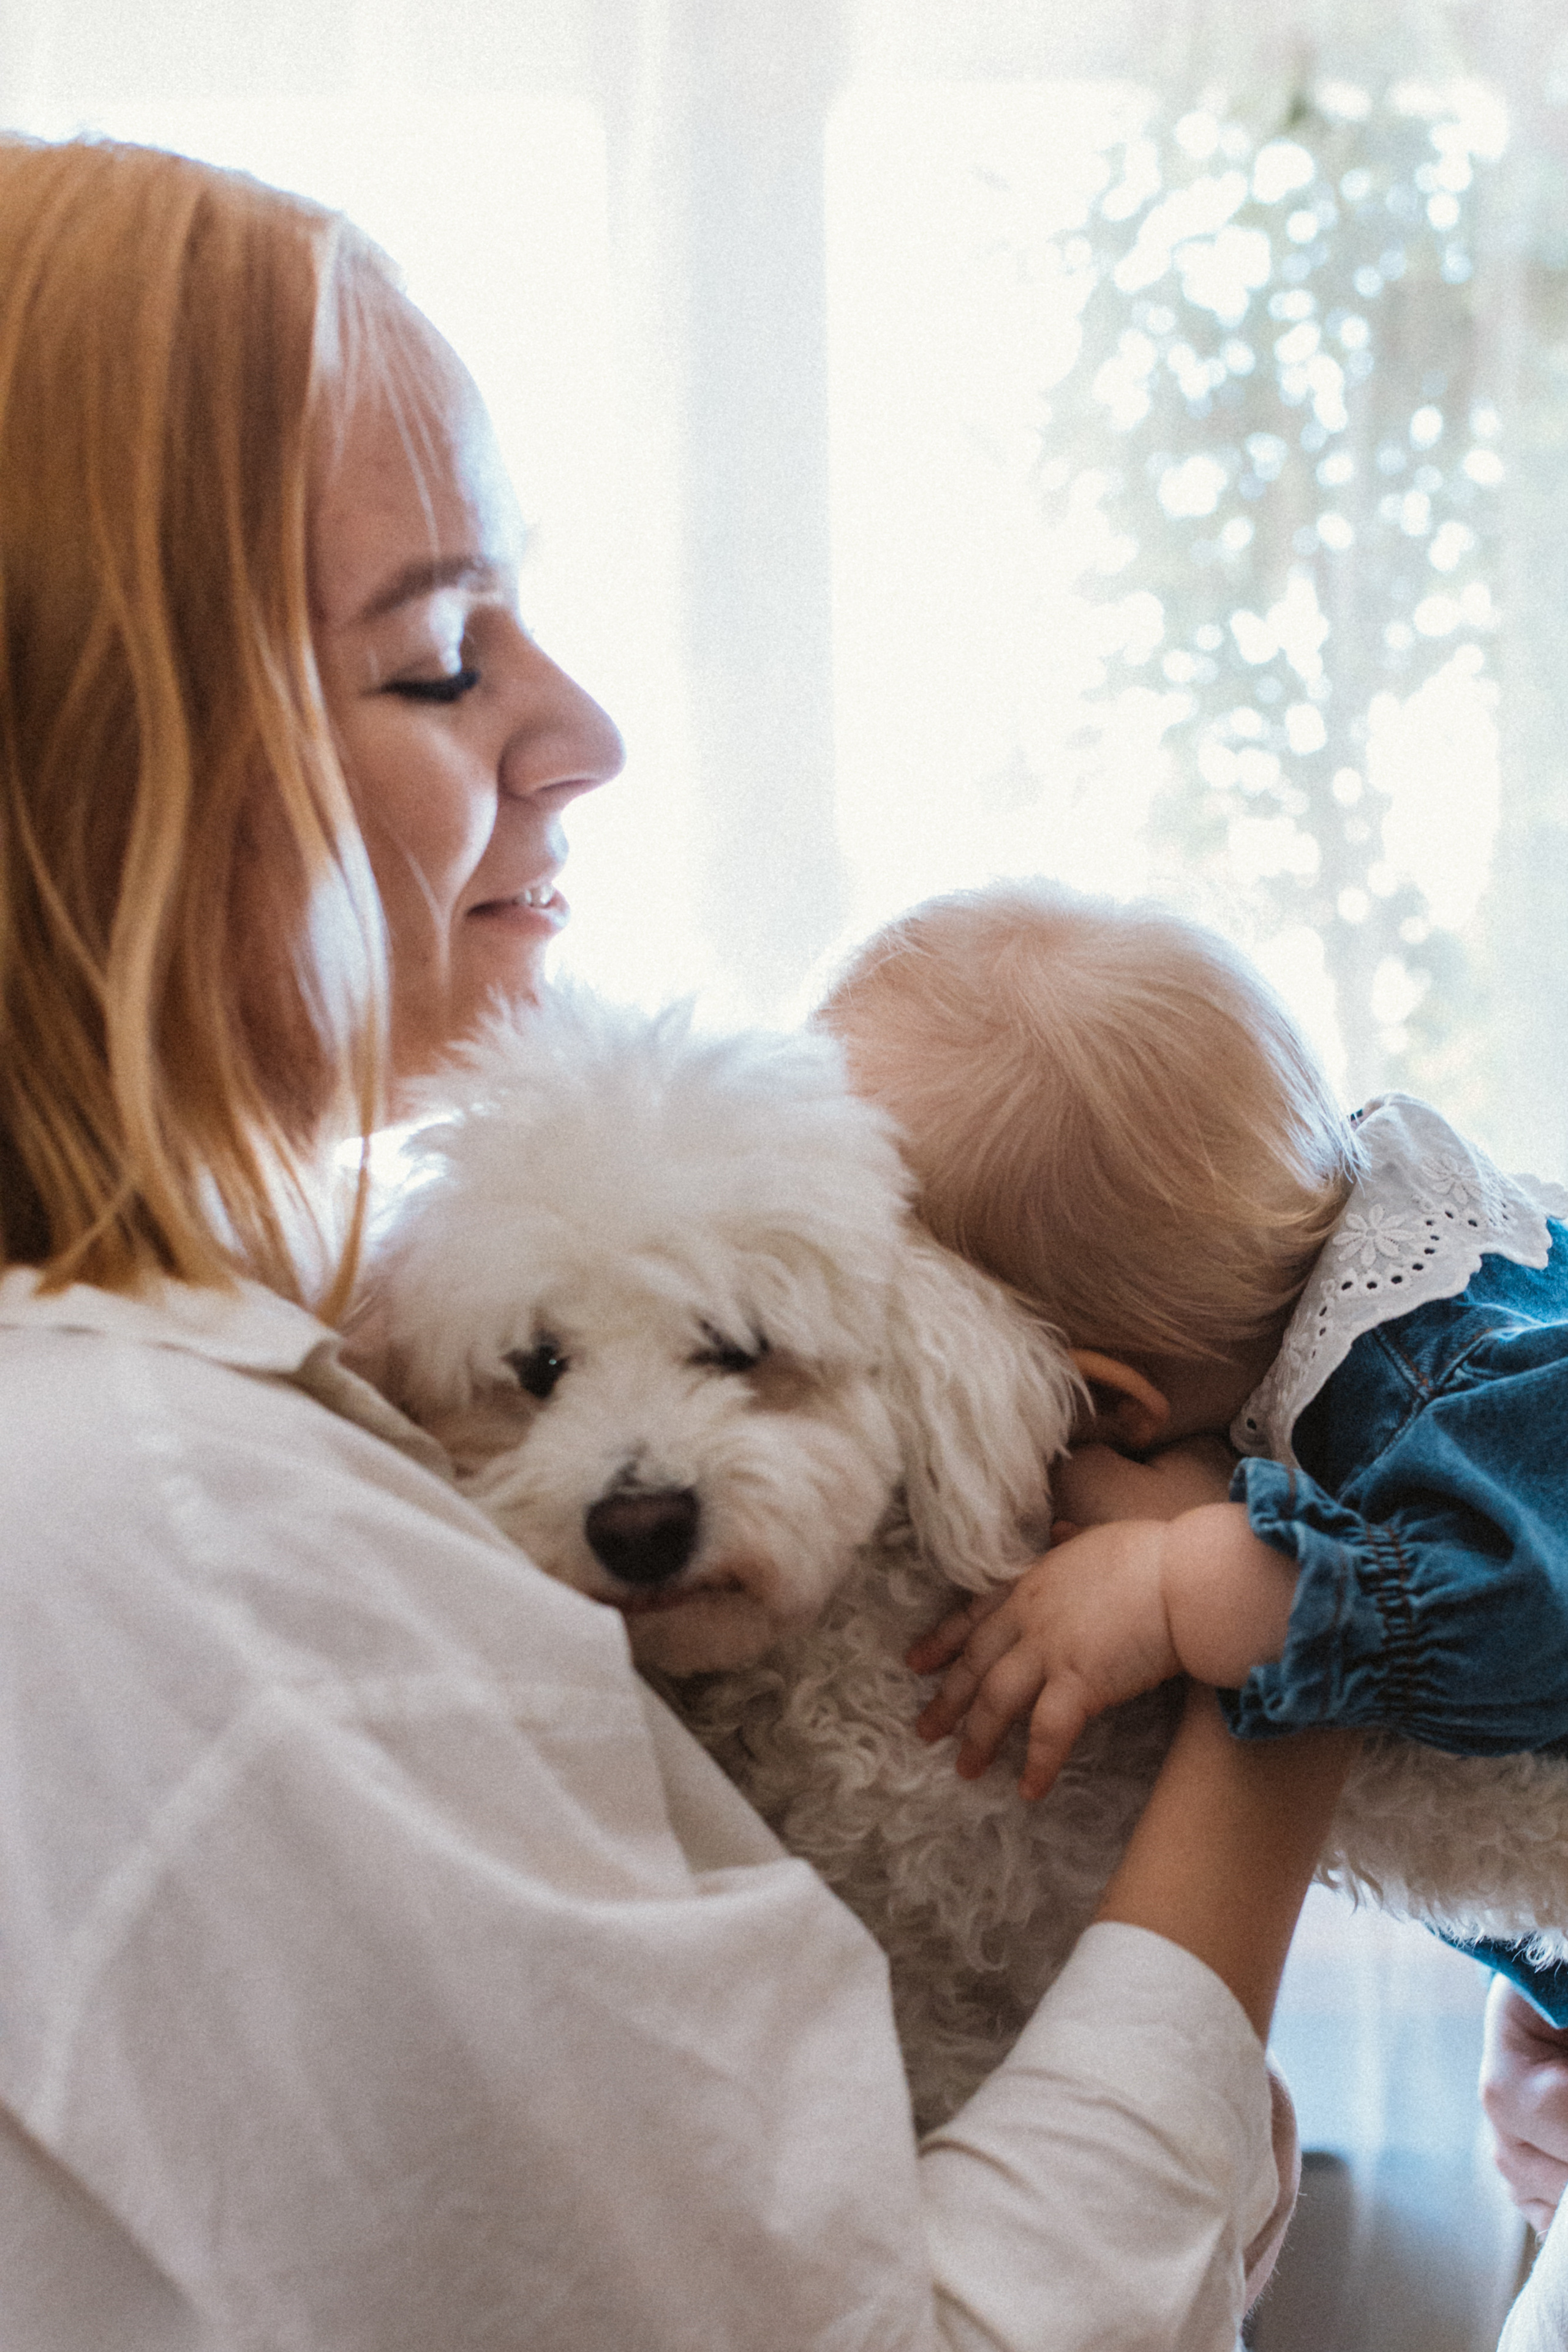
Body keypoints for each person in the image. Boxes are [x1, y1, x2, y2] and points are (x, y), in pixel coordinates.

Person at [0, 135, 1351, 2348]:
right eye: (438, 659)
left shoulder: (248, 1411)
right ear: (105, 770)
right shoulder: (213, 1569)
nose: (586, 732)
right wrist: (1293, 1691)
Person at [820, 878, 1568, 2257]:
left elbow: (1532, 1619)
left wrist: (1186, 1578)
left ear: (1101, 1411)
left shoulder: (1436, 1386)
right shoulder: (1404, 1262)